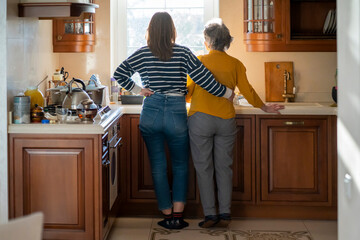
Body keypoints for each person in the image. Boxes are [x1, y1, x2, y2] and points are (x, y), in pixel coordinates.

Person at [113, 12, 234, 230]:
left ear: (150, 30)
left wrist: (139, 90)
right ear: (172, 30)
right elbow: (204, 78)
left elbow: (119, 73)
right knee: (180, 165)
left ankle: (167, 214)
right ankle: (179, 215)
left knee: (158, 166)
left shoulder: (142, 53)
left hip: (151, 111)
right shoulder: (183, 52)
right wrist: (226, 93)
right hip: (177, 112)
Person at [186, 19, 284, 228]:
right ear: (226, 43)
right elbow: (247, 91)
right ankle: (225, 213)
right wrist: (264, 107)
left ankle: (210, 215)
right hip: (226, 121)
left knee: (204, 168)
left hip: (200, 119)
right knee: (224, 167)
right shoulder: (235, 64)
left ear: (208, 41)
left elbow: (187, 94)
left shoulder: (199, 60)